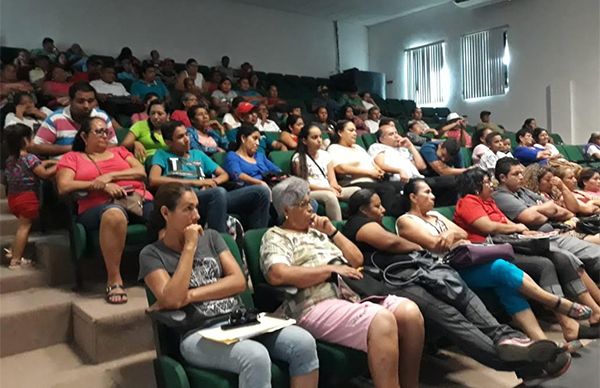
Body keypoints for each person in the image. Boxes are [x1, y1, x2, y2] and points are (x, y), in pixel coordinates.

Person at [343, 189, 587, 376]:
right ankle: (525, 358)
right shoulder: (356, 225)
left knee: (468, 300)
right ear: (363, 210)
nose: (383, 210)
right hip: (402, 281)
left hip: (428, 269)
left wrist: (436, 242)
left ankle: (519, 345)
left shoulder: (422, 217)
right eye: (376, 207)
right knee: (453, 316)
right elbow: (392, 243)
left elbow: (459, 233)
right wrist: (419, 245)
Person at [141, 182, 319, 387]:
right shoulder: (152, 254)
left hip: (240, 322)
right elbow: (172, 299)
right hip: (198, 333)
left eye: (197, 207)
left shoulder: (212, 238)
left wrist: (189, 296)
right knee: (256, 356)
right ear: (165, 213)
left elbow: (237, 282)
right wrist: (189, 247)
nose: (197, 216)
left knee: (303, 343)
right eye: (188, 209)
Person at [261, 177, 425, 388]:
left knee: (410, 313)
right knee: (382, 319)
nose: (311, 208)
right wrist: (329, 270)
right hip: (312, 304)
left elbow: (356, 260)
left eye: (310, 201)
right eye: (303, 204)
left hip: (351, 295)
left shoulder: (319, 233)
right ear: (286, 210)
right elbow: (278, 274)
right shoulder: (275, 236)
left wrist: (333, 232)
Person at [397, 178, 591, 341]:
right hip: (443, 271)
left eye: (432, 192)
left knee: (505, 283)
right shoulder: (406, 221)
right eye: (427, 192)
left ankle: (541, 341)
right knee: (500, 267)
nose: (432, 196)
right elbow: (434, 244)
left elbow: (462, 232)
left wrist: (449, 235)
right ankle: (556, 302)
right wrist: (451, 236)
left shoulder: (436, 215)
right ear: (413, 197)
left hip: (463, 261)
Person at [454, 169, 600, 340]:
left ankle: (595, 313)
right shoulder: (469, 201)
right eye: (486, 182)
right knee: (544, 265)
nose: (490, 185)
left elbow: (506, 223)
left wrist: (528, 234)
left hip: (512, 243)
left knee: (562, 257)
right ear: (475, 186)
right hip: (492, 251)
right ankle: (568, 324)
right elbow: (488, 227)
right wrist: (518, 228)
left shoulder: (489, 202)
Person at [56, 117, 153, 304]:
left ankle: (166, 270)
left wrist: (110, 176)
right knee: (114, 213)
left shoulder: (120, 151)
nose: (104, 135)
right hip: (96, 207)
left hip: (136, 200)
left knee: (169, 212)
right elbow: (64, 185)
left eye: (106, 132)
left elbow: (141, 172)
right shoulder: (73, 157)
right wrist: (99, 186)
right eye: (98, 131)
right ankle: (114, 279)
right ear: (84, 136)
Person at [150, 121, 270, 232]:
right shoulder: (162, 154)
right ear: (168, 142)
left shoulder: (197, 154)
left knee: (261, 191)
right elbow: (153, 179)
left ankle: (257, 240)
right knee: (218, 193)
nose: (187, 139)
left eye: (187, 134)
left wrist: (212, 182)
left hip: (209, 195)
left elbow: (224, 174)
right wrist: (197, 183)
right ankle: (218, 243)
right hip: (185, 199)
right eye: (180, 137)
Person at [492, 157, 600, 279]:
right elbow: (531, 217)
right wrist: (546, 209)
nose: (521, 177)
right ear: (502, 178)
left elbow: (563, 212)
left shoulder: (523, 191)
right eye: (516, 174)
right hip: (546, 238)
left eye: (521, 173)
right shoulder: (500, 196)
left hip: (559, 232)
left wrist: (542, 209)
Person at [3, 124, 56, 269]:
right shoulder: (31, 158)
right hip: (28, 197)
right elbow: (44, 174)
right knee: (25, 228)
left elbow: (30, 167)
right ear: (25, 140)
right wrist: (60, 165)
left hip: (14, 197)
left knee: (21, 226)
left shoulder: (10, 159)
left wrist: (45, 163)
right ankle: (16, 260)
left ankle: (13, 252)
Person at [292, 125, 359, 221]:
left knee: (357, 190)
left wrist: (335, 186)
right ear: (304, 141)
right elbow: (305, 184)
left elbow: (332, 179)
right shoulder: (298, 158)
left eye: (320, 136)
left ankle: (356, 223)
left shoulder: (326, 155)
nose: (319, 140)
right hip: (311, 192)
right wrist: (328, 189)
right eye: (314, 137)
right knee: (329, 196)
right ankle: (337, 227)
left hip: (329, 188)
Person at [31, 82, 116, 157]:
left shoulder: (101, 116)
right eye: (80, 101)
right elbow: (37, 147)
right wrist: (74, 148)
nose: (86, 105)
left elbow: (113, 143)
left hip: (97, 162)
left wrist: (90, 150)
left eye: (90, 101)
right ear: (70, 101)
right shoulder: (55, 118)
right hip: (65, 166)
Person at [522, 164, 600, 244]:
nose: (552, 183)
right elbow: (573, 211)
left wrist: (562, 188)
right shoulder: (534, 197)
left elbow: (572, 211)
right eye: (548, 180)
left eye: (553, 180)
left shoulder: (554, 193)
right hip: (559, 231)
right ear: (536, 181)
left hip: (574, 225)